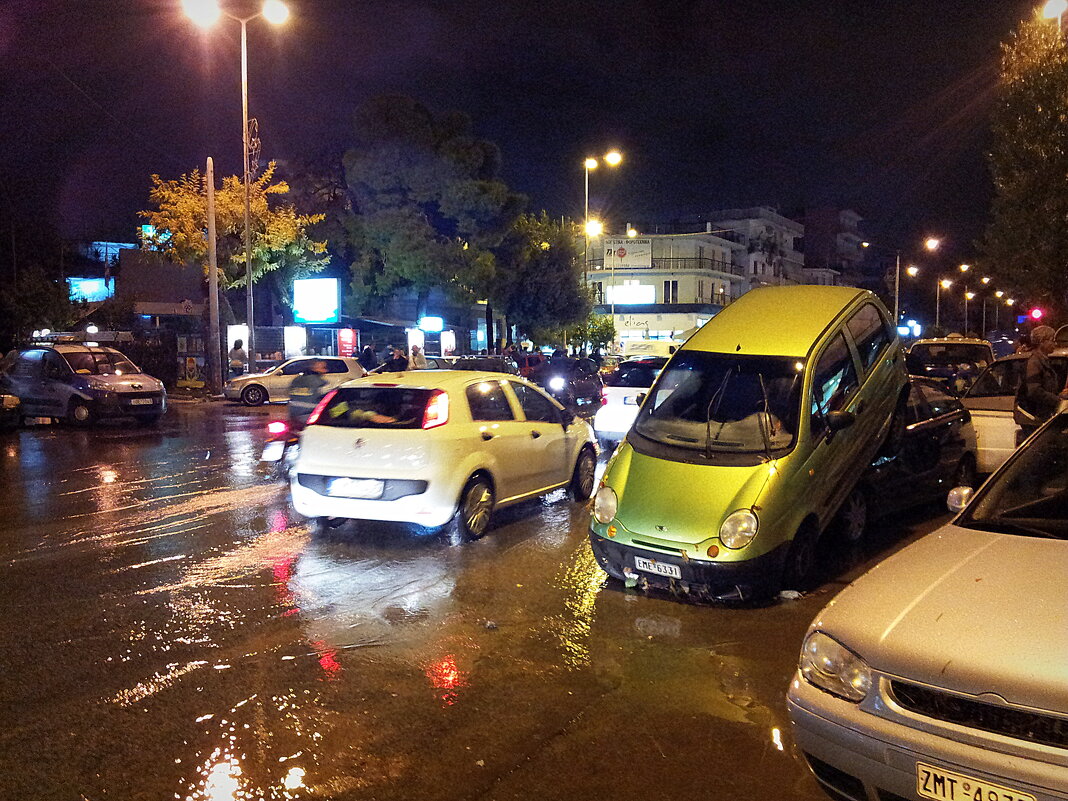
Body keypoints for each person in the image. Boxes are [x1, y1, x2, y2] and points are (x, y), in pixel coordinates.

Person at [1014, 325, 1067, 444]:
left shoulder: (1043, 361)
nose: (1055, 344)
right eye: (1052, 340)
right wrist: (1058, 400)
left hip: (1037, 416)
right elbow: (1034, 391)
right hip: (1032, 417)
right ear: (1042, 342)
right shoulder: (1035, 362)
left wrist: (1060, 395)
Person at [287, 359, 330, 427]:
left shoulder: (296, 380)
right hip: (311, 416)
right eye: (323, 368)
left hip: (294, 415)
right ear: (314, 369)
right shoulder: (320, 382)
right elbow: (328, 400)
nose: (326, 371)